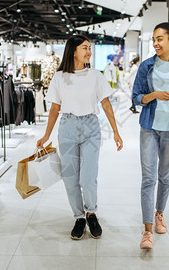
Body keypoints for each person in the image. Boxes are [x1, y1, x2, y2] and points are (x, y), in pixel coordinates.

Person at [37, 35, 123, 240]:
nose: (88, 52)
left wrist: (116, 131)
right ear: (73, 51)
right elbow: (54, 109)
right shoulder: (59, 77)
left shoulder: (96, 76)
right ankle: (79, 217)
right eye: (84, 48)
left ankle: (91, 213)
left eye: (89, 48)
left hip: (90, 128)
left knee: (88, 176)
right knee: (70, 178)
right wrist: (46, 135)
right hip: (67, 128)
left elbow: (106, 105)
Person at [132, 22, 169, 249]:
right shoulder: (146, 66)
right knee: (148, 178)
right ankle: (147, 230)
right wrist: (154, 95)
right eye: (154, 40)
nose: (156, 43)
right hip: (149, 126)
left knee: (165, 177)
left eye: (160, 39)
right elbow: (136, 97)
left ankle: (159, 214)